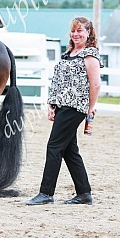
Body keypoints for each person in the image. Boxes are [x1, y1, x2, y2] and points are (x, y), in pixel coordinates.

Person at [26, 16, 103, 206]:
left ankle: (46, 193)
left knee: (54, 146)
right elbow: (58, 82)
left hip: (76, 106)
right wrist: (52, 104)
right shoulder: (68, 53)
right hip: (62, 106)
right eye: (73, 31)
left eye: (80, 31)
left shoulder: (89, 55)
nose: (76, 34)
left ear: (89, 33)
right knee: (70, 150)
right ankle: (84, 193)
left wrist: (90, 108)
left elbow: (95, 84)